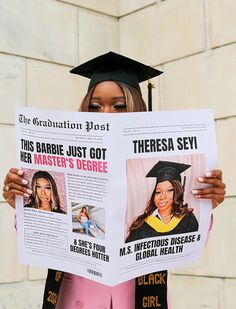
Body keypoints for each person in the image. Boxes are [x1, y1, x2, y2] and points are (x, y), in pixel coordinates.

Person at [2, 51, 226, 309]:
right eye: (95, 106)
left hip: (138, 297)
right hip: (76, 297)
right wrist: (21, 203)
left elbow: (186, 244)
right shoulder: (64, 160)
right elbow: (42, 238)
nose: (106, 113)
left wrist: (206, 204)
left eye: (119, 105)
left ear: (137, 108)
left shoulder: (152, 167)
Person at [126, 161, 199, 243]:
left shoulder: (188, 220)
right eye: (158, 192)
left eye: (169, 190)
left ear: (178, 192)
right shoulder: (141, 224)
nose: (162, 197)